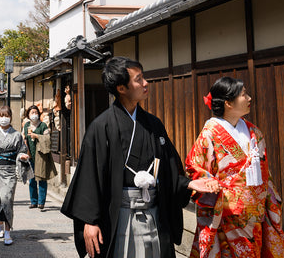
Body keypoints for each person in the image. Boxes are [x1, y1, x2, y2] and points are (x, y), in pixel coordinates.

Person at [61, 57, 214, 258]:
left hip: (155, 213)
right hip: (119, 214)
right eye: (138, 79)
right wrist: (90, 221)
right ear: (121, 88)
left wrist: (187, 184)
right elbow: (89, 177)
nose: (145, 83)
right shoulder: (101, 127)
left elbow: (168, 166)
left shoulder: (153, 124)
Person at [184, 77, 284, 258]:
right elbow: (194, 166)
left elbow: (264, 174)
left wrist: (269, 202)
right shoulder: (210, 133)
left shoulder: (255, 132)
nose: (249, 98)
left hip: (255, 214)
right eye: (244, 94)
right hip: (226, 214)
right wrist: (210, 183)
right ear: (228, 103)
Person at [0, 105, 30, 246]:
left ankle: (8, 231)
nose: (3, 119)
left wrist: (22, 156)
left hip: (9, 172)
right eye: (1, 116)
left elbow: (21, 150)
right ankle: (0, 225)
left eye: (6, 115)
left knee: (7, 199)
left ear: (10, 117)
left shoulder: (17, 135)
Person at [23, 105, 56, 210]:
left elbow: (48, 139)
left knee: (42, 178)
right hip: (30, 155)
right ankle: (33, 201)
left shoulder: (43, 126)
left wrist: (37, 136)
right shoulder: (26, 126)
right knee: (31, 180)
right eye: (32, 112)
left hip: (41, 155)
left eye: (35, 112)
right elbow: (24, 139)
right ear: (28, 115)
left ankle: (41, 202)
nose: (34, 115)